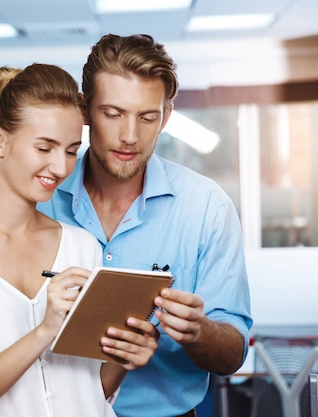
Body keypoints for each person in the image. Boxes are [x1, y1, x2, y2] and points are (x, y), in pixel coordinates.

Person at [0, 63, 159, 417]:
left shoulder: (80, 245)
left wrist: (125, 358)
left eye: (71, 151)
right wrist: (45, 331)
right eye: (44, 148)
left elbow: (90, 391)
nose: (60, 167)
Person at [37, 33, 253, 417]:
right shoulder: (40, 201)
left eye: (147, 116)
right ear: (85, 111)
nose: (130, 136)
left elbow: (232, 354)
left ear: (166, 116)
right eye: (113, 113)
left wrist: (199, 332)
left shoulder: (207, 207)